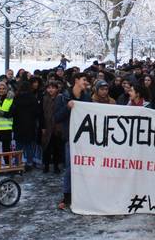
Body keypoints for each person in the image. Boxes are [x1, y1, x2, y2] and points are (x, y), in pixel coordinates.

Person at [55, 73, 91, 210]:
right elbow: (57, 117)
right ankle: (67, 196)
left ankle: (82, 195)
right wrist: (67, 107)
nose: (86, 82)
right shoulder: (63, 97)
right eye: (84, 80)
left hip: (85, 138)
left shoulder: (87, 97)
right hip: (70, 138)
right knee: (70, 169)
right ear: (76, 80)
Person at [10, 81, 41, 171]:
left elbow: (13, 112)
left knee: (18, 146)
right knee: (29, 146)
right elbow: (37, 112)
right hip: (30, 125)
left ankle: (17, 163)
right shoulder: (33, 98)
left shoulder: (16, 98)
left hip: (18, 125)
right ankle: (29, 162)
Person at [42, 81, 63, 173]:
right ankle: (46, 166)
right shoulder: (44, 98)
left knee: (56, 148)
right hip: (47, 126)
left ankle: (56, 166)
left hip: (57, 127)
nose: (51, 90)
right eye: (49, 88)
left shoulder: (61, 98)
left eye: (53, 88)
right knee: (46, 147)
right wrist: (43, 126)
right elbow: (41, 113)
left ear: (57, 89)